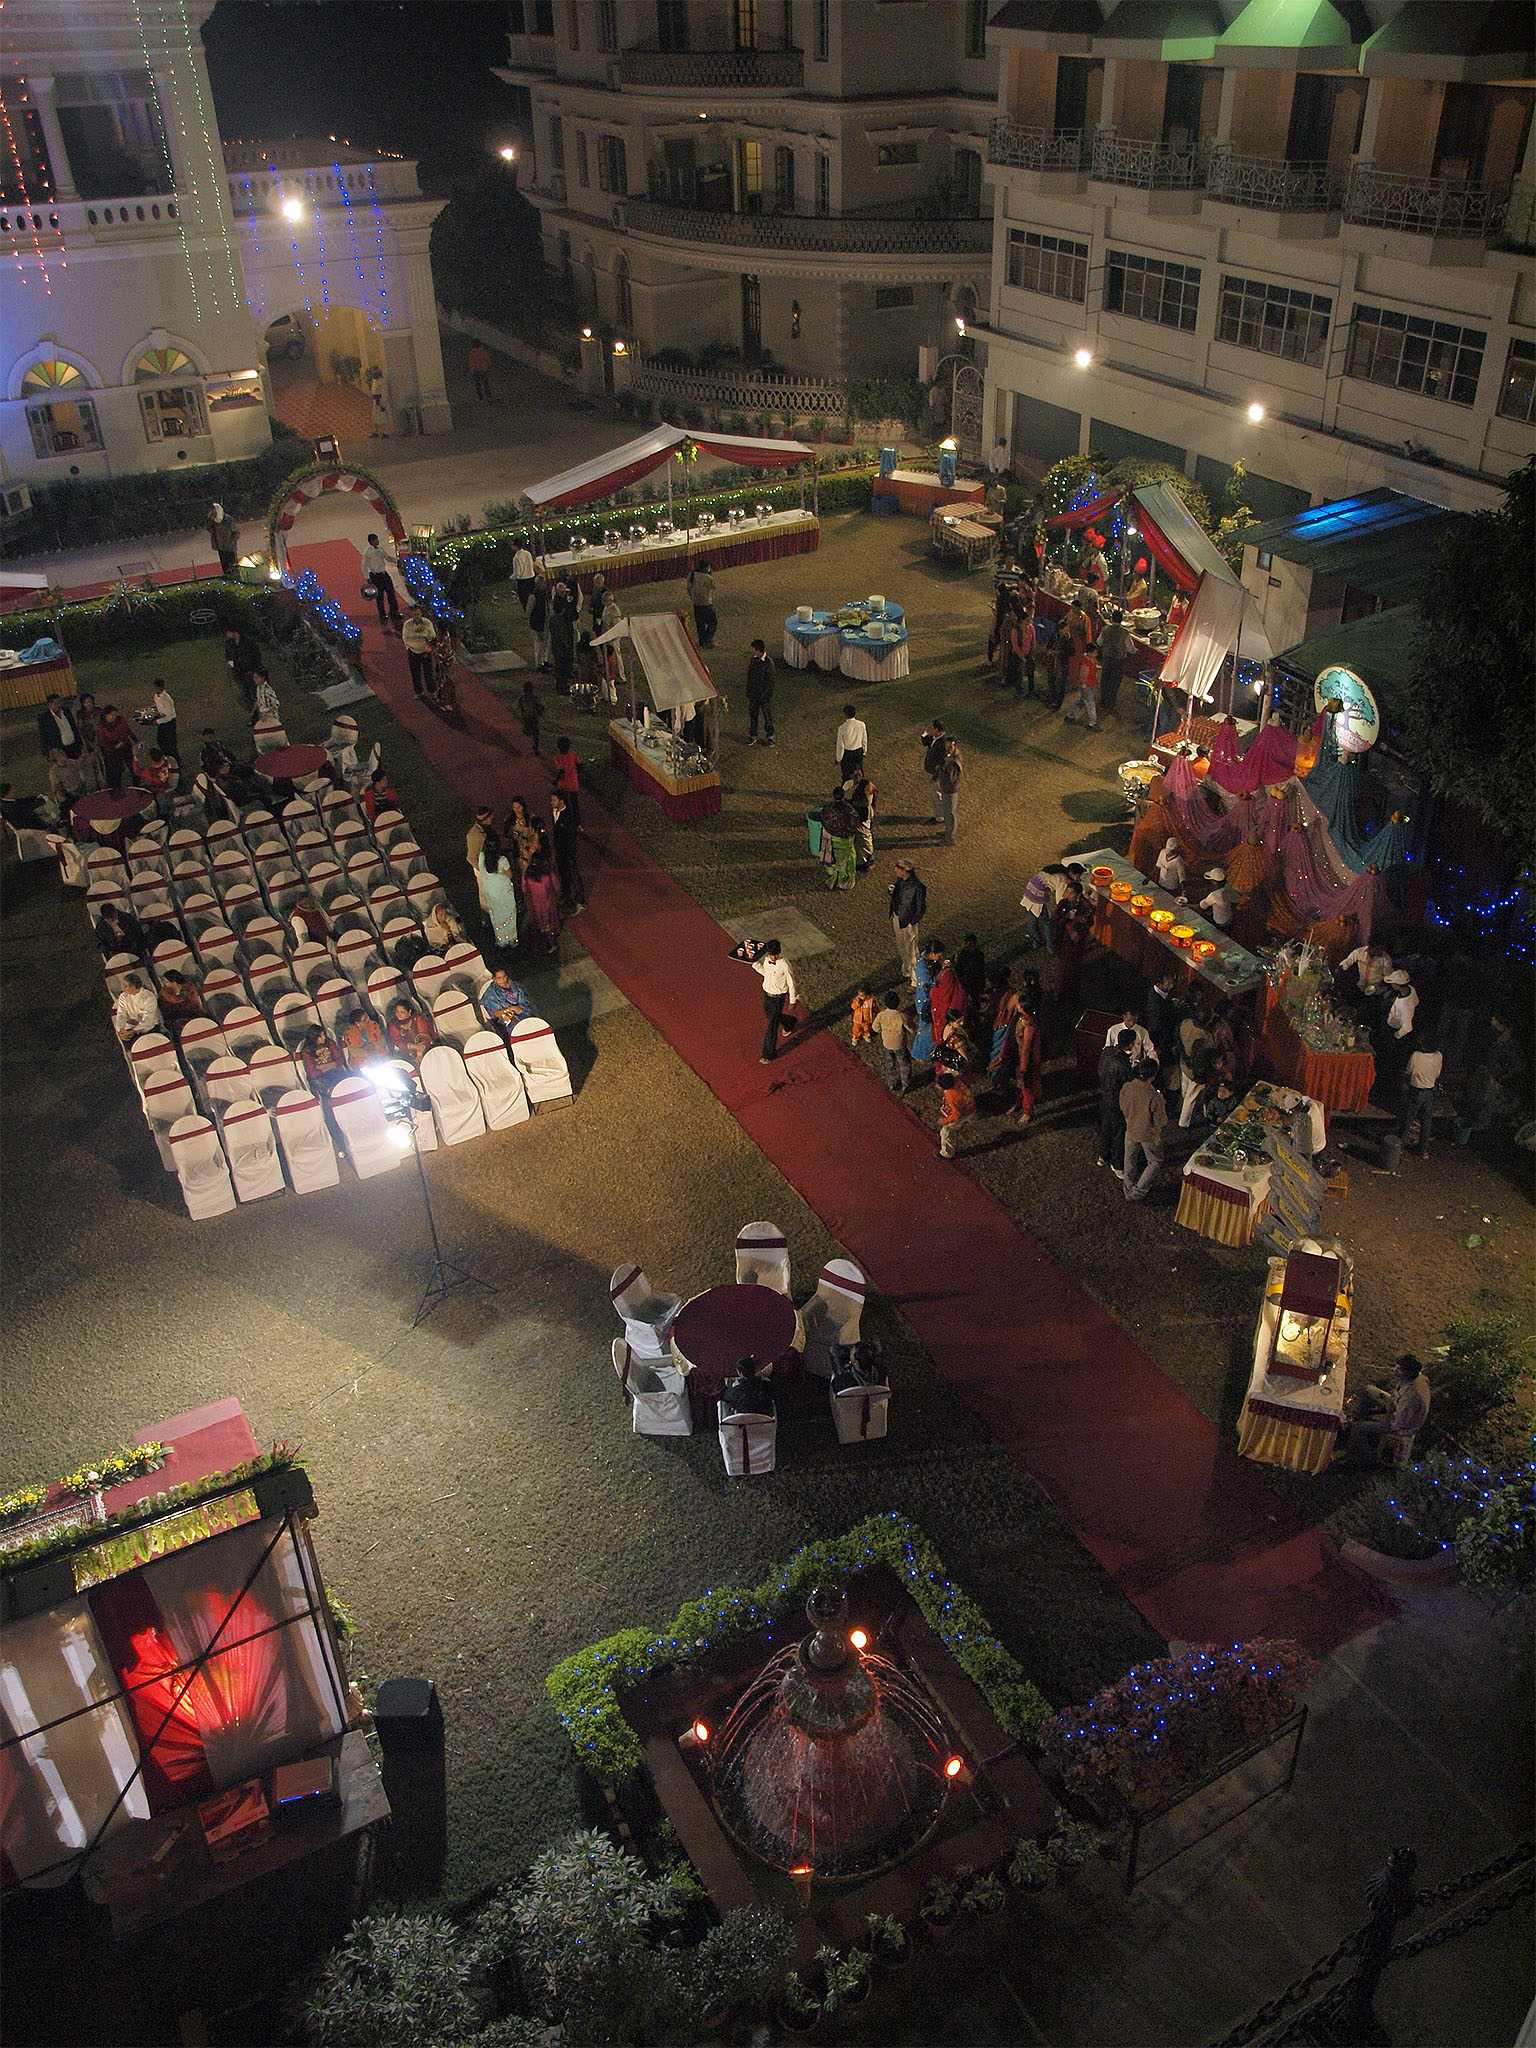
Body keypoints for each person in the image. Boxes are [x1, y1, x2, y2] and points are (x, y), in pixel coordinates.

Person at [1347, 1354, 1431, 1466]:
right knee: (1368, 1390)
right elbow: (1395, 1397)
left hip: (1401, 1427)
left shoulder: (1411, 1397)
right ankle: (1360, 1420)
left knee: (1358, 1428)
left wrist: (1379, 1417)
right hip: (1396, 1405)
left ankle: (1362, 1458)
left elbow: (1397, 1423)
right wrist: (1388, 1405)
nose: (1395, 1369)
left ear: (1408, 1372)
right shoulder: (1413, 1378)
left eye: (1399, 1369)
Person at [1120, 1060, 1167, 1201]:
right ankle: (1137, 1192)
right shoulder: (1153, 1095)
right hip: (1148, 1134)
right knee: (1155, 1161)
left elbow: (1122, 1106)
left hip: (1131, 1128)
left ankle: (1128, 1188)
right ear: (1153, 1075)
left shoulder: (1127, 1087)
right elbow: (1161, 1121)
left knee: (1130, 1159)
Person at [935, 1025, 978, 1160]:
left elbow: (956, 1114)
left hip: (962, 1113)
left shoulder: (951, 1095)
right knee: (973, 1121)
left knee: (945, 1132)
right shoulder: (958, 1081)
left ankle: (946, 1153)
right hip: (971, 1106)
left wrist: (944, 1120)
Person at [1098, 1028, 1135, 1175]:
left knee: (1106, 1127)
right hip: (1116, 1101)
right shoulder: (1122, 1063)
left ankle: (1103, 1155)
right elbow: (1128, 1082)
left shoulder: (1106, 1052)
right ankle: (1117, 1163)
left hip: (1105, 1096)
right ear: (1130, 1044)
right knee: (1119, 1132)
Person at [522, 824, 563, 951]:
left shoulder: (527, 876)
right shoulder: (547, 875)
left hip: (535, 906)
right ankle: (551, 943)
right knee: (549, 924)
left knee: (538, 924)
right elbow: (556, 886)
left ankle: (539, 942)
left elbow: (524, 889)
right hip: (548, 905)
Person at [478, 829, 521, 949]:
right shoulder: (502, 860)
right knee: (508, 914)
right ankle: (512, 939)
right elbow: (510, 875)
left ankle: (501, 939)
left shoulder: (482, 857)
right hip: (504, 892)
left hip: (492, 893)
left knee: (497, 915)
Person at [1052, 879, 1093, 1004]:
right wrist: (1066, 918)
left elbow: (1088, 921)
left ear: (1078, 894)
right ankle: (1060, 992)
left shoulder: (1085, 906)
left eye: (1071, 893)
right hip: (1064, 939)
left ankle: (1069, 992)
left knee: (1072, 968)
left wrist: (1077, 920)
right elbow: (1056, 918)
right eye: (1067, 892)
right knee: (1063, 967)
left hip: (1075, 941)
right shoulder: (1063, 903)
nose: (1068, 895)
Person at [1400, 1037, 1442, 1157]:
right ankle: (1424, 1150)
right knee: (1427, 1120)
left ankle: (1399, 1145)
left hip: (1416, 1090)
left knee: (1408, 1117)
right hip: (1429, 1091)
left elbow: (1408, 1071)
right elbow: (1437, 1074)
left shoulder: (1416, 1055)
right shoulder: (1438, 1055)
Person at [1178, 1001, 1216, 1127]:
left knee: (1185, 1090)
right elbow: (1202, 1059)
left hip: (1184, 1062)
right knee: (1191, 1097)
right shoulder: (1205, 1037)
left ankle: (1181, 1110)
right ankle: (1184, 1122)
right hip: (1195, 1070)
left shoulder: (1186, 1023)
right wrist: (1200, 1075)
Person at [888, 860, 926, 984]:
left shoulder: (918, 886)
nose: (895, 870)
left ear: (906, 871)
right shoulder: (900, 880)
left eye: (898, 868)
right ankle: (907, 970)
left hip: (908, 921)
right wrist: (891, 892)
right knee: (901, 946)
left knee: (912, 950)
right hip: (898, 917)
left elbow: (921, 907)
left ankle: (915, 980)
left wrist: (913, 922)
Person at [551, 789, 586, 913]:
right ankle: (566, 894)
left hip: (568, 852)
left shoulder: (568, 817)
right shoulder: (554, 811)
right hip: (559, 850)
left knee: (573, 873)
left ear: (561, 801)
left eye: (554, 800)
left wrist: (570, 856)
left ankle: (580, 900)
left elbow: (572, 838)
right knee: (562, 872)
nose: (551, 802)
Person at [819, 784, 857, 892]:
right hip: (845, 839)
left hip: (832, 839)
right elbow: (855, 822)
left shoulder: (828, 808)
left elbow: (823, 819)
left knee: (834, 858)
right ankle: (844, 881)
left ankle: (834, 878)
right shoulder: (849, 809)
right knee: (849, 858)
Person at [361, 533, 402, 630]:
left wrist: (396, 560)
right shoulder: (367, 552)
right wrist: (367, 578)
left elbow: (387, 557)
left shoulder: (380, 549)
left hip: (384, 574)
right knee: (379, 596)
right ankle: (382, 614)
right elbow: (364, 566)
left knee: (391, 593)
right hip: (375, 576)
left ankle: (394, 612)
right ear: (371, 542)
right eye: (376, 540)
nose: (378, 541)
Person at [1013, 996, 1043, 1125]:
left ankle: (1027, 1112)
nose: (1016, 1006)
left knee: (1026, 1085)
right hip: (1020, 1056)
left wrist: (1023, 1067)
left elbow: (1026, 1048)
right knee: (1020, 1084)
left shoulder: (1028, 1025)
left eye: (1019, 1004)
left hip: (1027, 1060)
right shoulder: (1023, 1019)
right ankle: (1019, 1102)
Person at [986, 967, 1020, 1080]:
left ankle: (995, 1072)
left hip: (999, 1025)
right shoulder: (1012, 991)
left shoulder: (996, 996)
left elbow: (991, 1012)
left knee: (997, 1051)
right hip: (1010, 1023)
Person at [1020, 864, 1063, 953]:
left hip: (1030, 892)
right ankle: (1050, 947)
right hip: (1038, 898)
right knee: (1047, 923)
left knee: (1032, 921)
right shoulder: (1063, 878)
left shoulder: (1049, 873)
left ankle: (1036, 942)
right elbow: (1059, 896)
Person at [874, 992, 912, 1093]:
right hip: (900, 1045)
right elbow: (911, 1028)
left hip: (887, 1044)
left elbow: (875, 1028)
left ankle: (891, 1084)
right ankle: (906, 1084)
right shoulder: (902, 1016)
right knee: (904, 1064)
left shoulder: (881, 1015)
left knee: (889, 1064)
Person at [1098, 608, 1132, 716]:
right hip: (1118, 661)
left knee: (1105, 680)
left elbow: (1099, 642)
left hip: (1106, 659)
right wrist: (1135, 651)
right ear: (1121, 620)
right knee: (1114, 683)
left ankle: (1103, 701)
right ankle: (1111, 704)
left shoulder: (1105, 630)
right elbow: (1130, 648)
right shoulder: (1125, 633)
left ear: (1111, 619)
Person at [96, 705, 136, 795]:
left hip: (126, 747)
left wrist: (136, 741)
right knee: (117, 771)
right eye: (112, 715)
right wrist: (114, 747)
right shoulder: (102, 727)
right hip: (114, 752)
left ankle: (136, 786)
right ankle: (118, 791)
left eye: (115, 714)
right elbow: (102, 742)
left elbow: (128, 730)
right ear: (106, 715)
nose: (114, 717)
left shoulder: (120, 720)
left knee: (133, 766)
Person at [954, 933, 987, 1039]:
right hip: (966, 984)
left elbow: (981, 970)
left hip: (975, 984)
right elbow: (958, 972)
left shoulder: (979, 955)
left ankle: (976, 1025)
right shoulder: (961, 956)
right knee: (966, 1006)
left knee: (976, 1006)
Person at [1061, 641, 1100, 729]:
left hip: (1089, 685)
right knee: (1090, 705)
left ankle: (1071, 715)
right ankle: (1092, 723)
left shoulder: (1090, 660)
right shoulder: (1086, 663)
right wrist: (1084, 688)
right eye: (1094, 652)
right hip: (1087, 686)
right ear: (1089, 653)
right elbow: (1083, 677)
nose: (1096, 654)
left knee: (1081, 701)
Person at [112, 973, 161, 1042]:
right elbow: (121, 1014)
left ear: (133, 987)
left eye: (125, 986)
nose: (123, 989)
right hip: (132, 1027)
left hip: (149, 1028)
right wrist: (121, 1029)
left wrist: (134, 1031)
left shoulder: (148, 997)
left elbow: (148, 1020)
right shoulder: (123, 997)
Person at [387, 997, 435, 1066]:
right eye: (397, 1012)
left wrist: (419, 1054)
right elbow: (398, 1042)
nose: (399, 1014)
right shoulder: (393, 1024)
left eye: (402, 1012)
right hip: (405, 1054)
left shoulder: (418, 1018)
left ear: (409, 1012)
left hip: (424, 1049)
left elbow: (424, 1036)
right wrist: (413, 1046)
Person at [402, 607, 438, 698]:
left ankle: (432, 690)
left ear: (421, 613)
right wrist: (408, 648)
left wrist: (424, 634)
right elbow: (405, 637)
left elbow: (432, 636)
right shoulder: (407, 625)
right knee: (415, 673)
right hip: (413, 651)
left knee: (428, 673)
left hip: (425, 652)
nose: (417, 616)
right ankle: (418, 692)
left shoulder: (427, 623)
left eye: (418, 614)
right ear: (411, 615)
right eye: (414, 615)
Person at [845, 768, 876, 871]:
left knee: (865, 839)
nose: (858, 776)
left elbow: (867, 801)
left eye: (859, 774)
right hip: (855, 818)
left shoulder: (866, 785)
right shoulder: (848, 785)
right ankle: (859, 861)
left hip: (863, 818)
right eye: (855, 775)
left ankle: (868, 861)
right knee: (857, 841)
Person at [745, 640, 776, 745]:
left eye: (753, 649)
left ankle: (770, 736)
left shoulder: (768, 663)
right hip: (754, 695)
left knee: (767, 717)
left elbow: (771, 681)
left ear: (758, 650)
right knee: (753, 716)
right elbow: (750, 677)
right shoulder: (753, 660)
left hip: (764, 696)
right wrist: (749, 691)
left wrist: (767, 695)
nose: (752, 651)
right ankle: (753, 735)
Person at [549, 580, 577, 691]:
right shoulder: (557, 615)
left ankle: (568, 673)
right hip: (561, 642)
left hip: (566, 633)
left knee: (567, 658)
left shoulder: (557, 619)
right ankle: (562, 683)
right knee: (561, 662)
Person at [37, 691, 82, 761]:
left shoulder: (66, 711)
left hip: (73, 746)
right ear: (50, 704)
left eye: (60, 702)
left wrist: (79, 742)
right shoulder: (45, 718)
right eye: (56, 703)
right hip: (60, 749)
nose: (59, 705)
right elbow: (43, 736)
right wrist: (45, 753)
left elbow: (73, 727)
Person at [225, 626, 260, 708]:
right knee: (244, 691)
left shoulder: (248, 642)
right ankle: (251, 708)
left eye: (228, 633)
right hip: (238, 672)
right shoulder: (228, 643)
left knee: (255, 691)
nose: (227, 635)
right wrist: (230, 663)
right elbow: (228, 655)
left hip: (249, 671)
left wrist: (253, 669)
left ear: (235, 632)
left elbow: (255, 656)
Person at [920, 720, 947, 824]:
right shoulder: (935, 738)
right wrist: (924, 735)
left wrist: (935, 776)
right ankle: (938, 815)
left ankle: (940, 817)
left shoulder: (942, 743)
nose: (930, 729)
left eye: (932, 728)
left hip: (934, 774)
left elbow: (942, 763)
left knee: (936, 794)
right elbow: (926, 742)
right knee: (933, 794)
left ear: (937, 730)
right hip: (930, 772)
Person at [1007, 606, 1036, 700]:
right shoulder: (1016, 630)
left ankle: (1031, 690)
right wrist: (1022, 657)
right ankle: (1019, 690)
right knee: (1018, 673)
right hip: (1018, 655)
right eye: (1027, 620)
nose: (1029, 622)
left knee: (1030, 673)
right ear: (1022, 621)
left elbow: (1033, 641)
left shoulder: (1031, 628)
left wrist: (1031, 653)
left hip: (1028, 654)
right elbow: (1015, 645)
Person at [505, 796, 539, 878]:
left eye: (518, 807)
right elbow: (506, 834)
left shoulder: (531, 819)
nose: (516, 810)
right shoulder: (510, 819)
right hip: (517, 850)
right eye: (514, 808)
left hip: (529, 849)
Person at [937, 736, 963, 845]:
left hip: (950, 790)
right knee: (948, 813)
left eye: (950, 747)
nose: (948, 749)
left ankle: (950, 838)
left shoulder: (954, 761)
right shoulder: (951, 757)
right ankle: (948, 832)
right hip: (947, 788)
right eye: (946, 746)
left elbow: (949, 778)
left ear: (955, 746)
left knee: (950, 814)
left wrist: (942, 768)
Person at [686, 559, 717, 648]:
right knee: (712, 622)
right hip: (706, 603)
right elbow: (713, 586)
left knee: (700, 624)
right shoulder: (708, 578)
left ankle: (702, 641)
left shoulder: (691, 575)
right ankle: (708, 640)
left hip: (696, 603)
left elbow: (688, 588)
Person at [835, 704, 867, 781]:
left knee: (846, 774)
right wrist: (864, 751)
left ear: (845, 715)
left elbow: (840, 745)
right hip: (858, 752)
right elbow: (864, 739)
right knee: (859, 773)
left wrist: (838, 758)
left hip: (847, 754)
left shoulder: (842, 728)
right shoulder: (861, 724)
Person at [48, 747, 86, 811]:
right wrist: (70, 792)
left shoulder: (71, 763)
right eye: (62, 754)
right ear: (57, 758)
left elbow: (81, 763)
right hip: (68, 798)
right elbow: (58, 787)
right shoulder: (54, 772)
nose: (65, 754)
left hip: (80, 792)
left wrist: (85, 755)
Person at [207, 502, 239, 578]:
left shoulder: (228, 519)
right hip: (220, 546)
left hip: (229, 546)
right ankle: (227, 576)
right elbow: (209, 529)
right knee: (224, 564)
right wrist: (208, 519)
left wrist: (232, 542)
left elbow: (236, 532)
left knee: (233, 564)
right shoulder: (213, 521)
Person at [527, 572, 552, 671]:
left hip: (545, 621)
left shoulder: (544, 594)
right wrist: (531, 623)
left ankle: (544, 660)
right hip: (537, 623)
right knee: (538, 644)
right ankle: (539, 663)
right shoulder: (533, 596)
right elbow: (529, 611)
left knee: (546, 642)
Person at [150, 678, 177, 763]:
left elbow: (169, 717)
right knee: (161, 741)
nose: (156, 689)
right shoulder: (156, 696)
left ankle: (175, 762)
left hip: (169, 724)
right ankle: (167, 758)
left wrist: (157, 722)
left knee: (171, 744)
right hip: (162, 722)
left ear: (162, 687)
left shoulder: (167, 699)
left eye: (157, 687)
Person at [517, 677, 543, 757]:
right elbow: (539, 707)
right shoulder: (533, 698)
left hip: (527, 718)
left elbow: (520, 708)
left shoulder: (521, 698)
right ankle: (535, 747)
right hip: (532, 718)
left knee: (531, 732)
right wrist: (540, 713)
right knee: (534, 733)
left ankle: (535, 746)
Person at [511, 534, 535, 609]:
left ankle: (528, 612)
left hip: (523, 581)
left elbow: (517, 573)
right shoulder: (528, 553)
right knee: (532, 597)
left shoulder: (516, 558)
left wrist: (512, 577)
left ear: (515, 546)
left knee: (525, 600)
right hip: (531, 578)